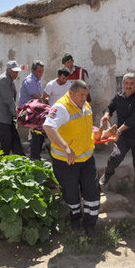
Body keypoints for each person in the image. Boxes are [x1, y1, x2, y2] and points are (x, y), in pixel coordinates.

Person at [43, 80, 100, 237]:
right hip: (67, 160)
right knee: (71, 193)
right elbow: (48, 127)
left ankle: (90, 225)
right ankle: (75, 219)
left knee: (92, 192)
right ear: (71, 93)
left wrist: (103, 134)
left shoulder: (86, 106)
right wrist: (66, 148)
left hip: (87, 158)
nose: (84, 98)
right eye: (81, 95)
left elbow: (85, 130)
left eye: (86, 95)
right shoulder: (61, 107)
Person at [100, 73, 135, 213]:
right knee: (116, 156)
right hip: (124, 138)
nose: (128, 86)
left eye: (131, 83)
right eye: (126, 83)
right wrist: (106, 115)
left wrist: (118, 131)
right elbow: (109, 107)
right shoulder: (118, 97)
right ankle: (107, 174)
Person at [0, 61, 25, 156]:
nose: (16, 74)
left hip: (6, 117)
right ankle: (0, 164)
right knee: (7, 141)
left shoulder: (8, 79)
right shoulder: (4, 80)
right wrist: (16, 115)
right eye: (14, 72)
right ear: (8, 70)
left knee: (14, 140)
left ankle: (22, 161)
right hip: (1, 117)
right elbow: (9, 100)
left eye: (17, 72)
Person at [19, 60, 45, 160]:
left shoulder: (37, 81)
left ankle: (36, 155)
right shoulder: (30, 81)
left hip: (34, 110)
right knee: (37, 133)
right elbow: (37, 97)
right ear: (33, 70)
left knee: (39, 132)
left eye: (42, 71)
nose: (41, 73)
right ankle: (35, 156)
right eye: (39, 71)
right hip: (28, 111)